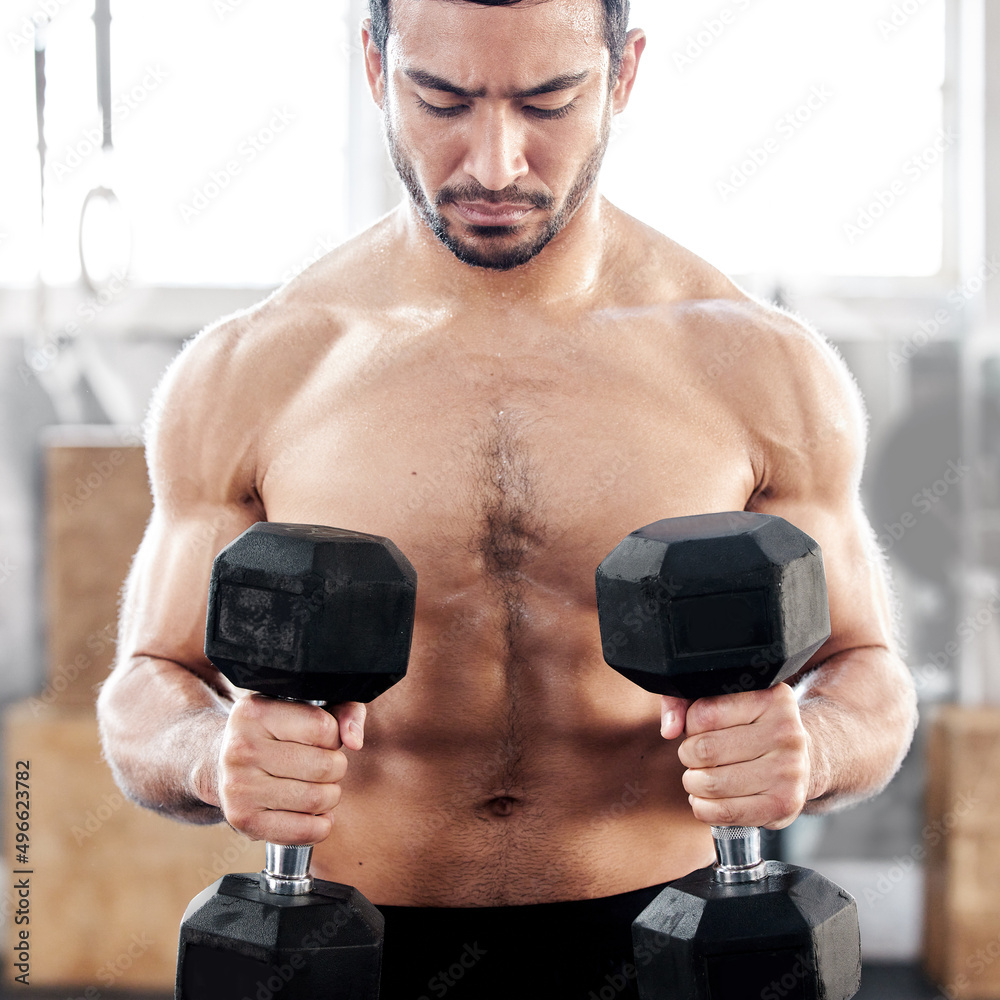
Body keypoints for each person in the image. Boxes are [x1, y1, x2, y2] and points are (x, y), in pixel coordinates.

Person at [96, 1, 918, 996]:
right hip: (357, 951)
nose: (493, 162)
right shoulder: (257, 368)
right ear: (372, 67)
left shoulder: (756, 366)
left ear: (623, 77)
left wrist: (816, 741)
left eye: (549, 100)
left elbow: (867, 672)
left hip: (668, 946)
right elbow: (145, 687)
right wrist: (205, 750)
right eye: (440, 99)